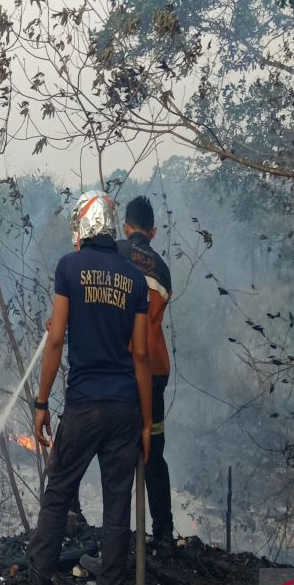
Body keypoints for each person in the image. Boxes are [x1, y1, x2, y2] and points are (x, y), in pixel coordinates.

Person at [4, 191, 151, 585]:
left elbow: (55, 338)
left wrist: (41, 400)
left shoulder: (70, 268)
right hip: (125, 407)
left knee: (58, 496)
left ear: (81, 228)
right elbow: (141, 355)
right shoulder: (135, 279)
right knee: (116, 509)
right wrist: (145, 422)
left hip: (84, 405)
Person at [116, 196, 174, 547]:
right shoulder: (164, 269)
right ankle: (164, 532)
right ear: (153, 231)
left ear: (125, 226)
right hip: (155, 371)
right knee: (154, 450)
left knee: (119, 451)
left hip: (123, 366)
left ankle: (116, 537)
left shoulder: (116, 254)